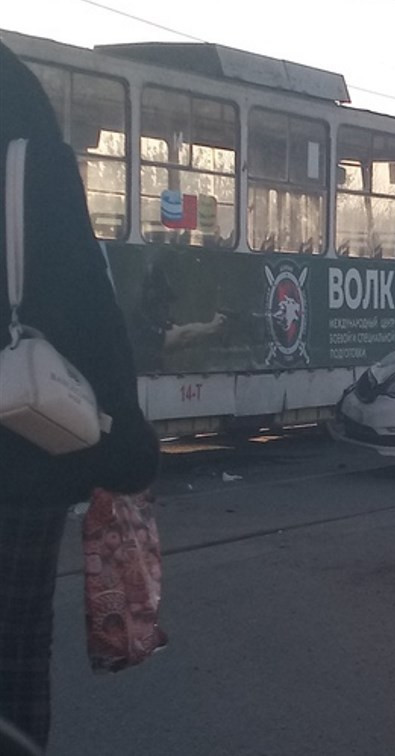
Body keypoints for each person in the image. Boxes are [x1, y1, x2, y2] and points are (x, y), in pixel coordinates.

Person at [0, 41, 160, 749]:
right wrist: (125, 439)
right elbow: (79, 300)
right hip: (14, 453)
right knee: (11, 654)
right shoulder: (17, 114)